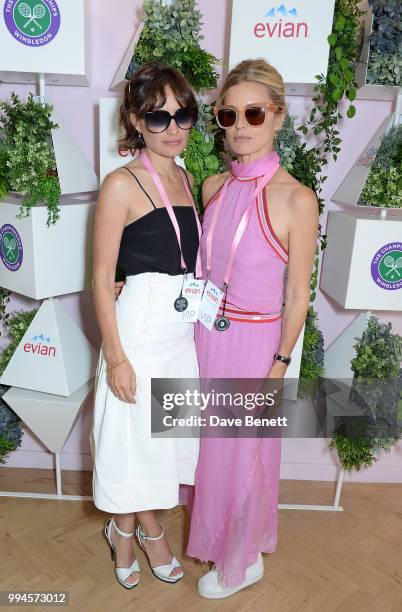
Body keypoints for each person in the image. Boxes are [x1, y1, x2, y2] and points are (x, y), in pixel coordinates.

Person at [180, 58, 319, 599]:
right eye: (228, 113)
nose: (240, 124)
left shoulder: (296, 199)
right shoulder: (213, 185)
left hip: (256, 344)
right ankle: (241, 543)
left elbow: (297, 294)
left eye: (254, 113)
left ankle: (239, 561)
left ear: (278, 117)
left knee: (246, 454)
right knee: (208, 452)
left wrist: (280, 363)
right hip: (204, 335)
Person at [90, 61, 202, 589]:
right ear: (136, 120)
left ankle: (133, 524)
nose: (174, 128)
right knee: (132, 440)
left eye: (185, 115)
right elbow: (100, 276)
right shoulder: (120, 184)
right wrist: (116, 357)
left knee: (160, 440)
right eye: (159, 118)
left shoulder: (185, 176)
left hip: (179, 333)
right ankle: (134, 532)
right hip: (137, 329)